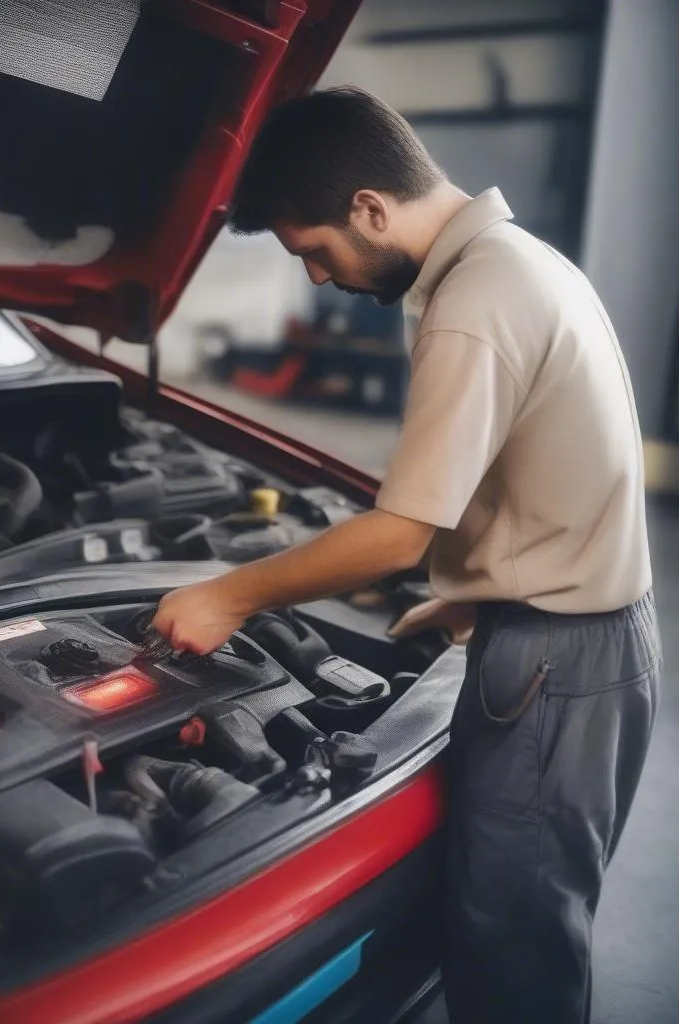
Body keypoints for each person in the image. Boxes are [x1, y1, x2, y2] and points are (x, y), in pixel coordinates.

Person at [151, 87, 661, 1024]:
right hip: (576, 639)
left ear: (370, 209)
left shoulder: (475, 300)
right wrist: (477, 595)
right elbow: (548, 466)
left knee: (514, 949)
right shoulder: (520, 262)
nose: (316, 277)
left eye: (315, 250)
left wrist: (228, 595)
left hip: (556, 662)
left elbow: (397, 533)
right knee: (529, 923)